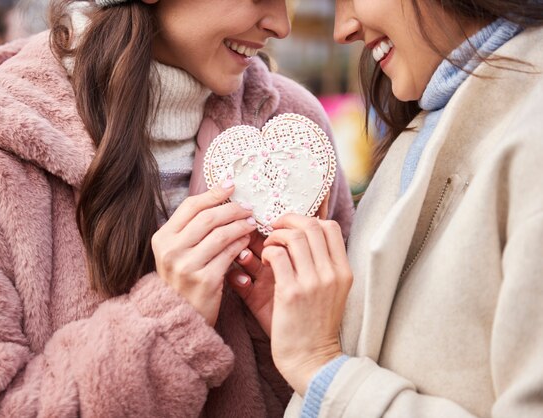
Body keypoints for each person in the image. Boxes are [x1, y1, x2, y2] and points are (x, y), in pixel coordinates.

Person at [0, 0, 354, 416]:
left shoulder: (294, 137)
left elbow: (349, 363)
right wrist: (166, 322)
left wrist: (301, 340)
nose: (282, 25)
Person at [229, 0, 543, 417]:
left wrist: (321, 367)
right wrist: (321, 332)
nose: (343, 30)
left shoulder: (529, 139)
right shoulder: (420, 130)